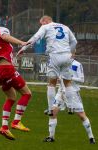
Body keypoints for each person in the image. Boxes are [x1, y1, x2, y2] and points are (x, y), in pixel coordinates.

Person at [19, 15, 95, 143]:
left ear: (45, 20)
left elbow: (36, 38)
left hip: (54, 56)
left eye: (41, 23)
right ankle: (70, 107)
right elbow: (74, 42)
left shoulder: (46, 27)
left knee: (51, 83)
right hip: (66, 56)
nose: (40, 25)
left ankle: (50, 108)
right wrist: (70, 53)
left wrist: (24, 48)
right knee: (68, 82)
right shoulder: (65, 27)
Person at [0, 19, 32, 140]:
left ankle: (4, 128)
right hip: (7, 69)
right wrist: (22, 43)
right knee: (27, 94)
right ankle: (16, 122)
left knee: (11, 97)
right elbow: (5, 37)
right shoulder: (1, 30)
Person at [44, 59, 95, 144]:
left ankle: (91, 137)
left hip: (73, 92)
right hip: (61, 92)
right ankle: (51, 137)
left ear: (73, 53)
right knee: (53, 112)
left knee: (82, 115)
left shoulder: (77, 64)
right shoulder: (61, 63)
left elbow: (82, 79)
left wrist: (69, 77)